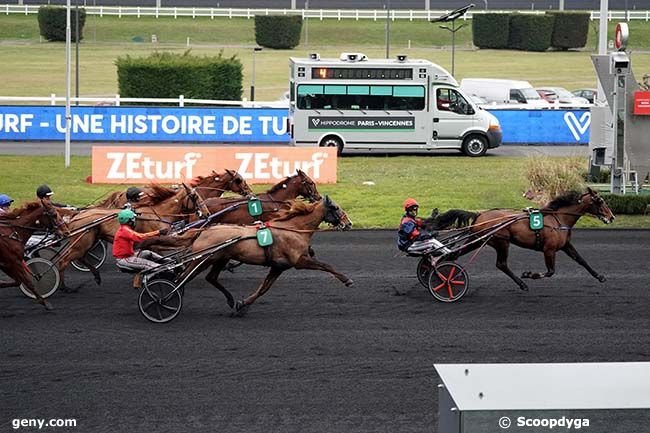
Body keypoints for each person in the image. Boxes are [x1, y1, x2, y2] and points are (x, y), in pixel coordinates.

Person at [112, 209, 169, 276]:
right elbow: (140, 237)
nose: (135, 221)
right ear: (129, 221)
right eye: (133, 219)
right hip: (125, 260)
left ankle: (168, 260)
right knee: (151, 265)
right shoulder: (125, 231)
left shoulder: (125, 229)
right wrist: (158, 232)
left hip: (130, 256)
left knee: (147, 253)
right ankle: (165, 270)